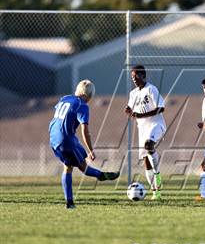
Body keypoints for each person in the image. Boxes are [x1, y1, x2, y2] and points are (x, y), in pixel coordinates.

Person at [49, 79, 120, 209]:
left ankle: (70, 202)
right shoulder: (82, 105)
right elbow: (85, 130)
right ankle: (101, 176)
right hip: (66, 139)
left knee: (68, 166)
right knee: (82, 167)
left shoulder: (65, 98)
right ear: (89, 96)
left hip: (54, 137)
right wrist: (90, 150)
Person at [125, 65, 166, 200]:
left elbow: (161, 108)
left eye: (136, 76)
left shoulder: (151, 89)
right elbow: (130, 108)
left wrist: (141, 115)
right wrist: (128, 110)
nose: (134, 79)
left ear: (143, 76)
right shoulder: (133, 93)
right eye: (132, 77)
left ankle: (157, 173)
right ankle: (156, 192)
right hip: (142, 128)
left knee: (149, 145)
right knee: (146, 161)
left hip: (156, 125)